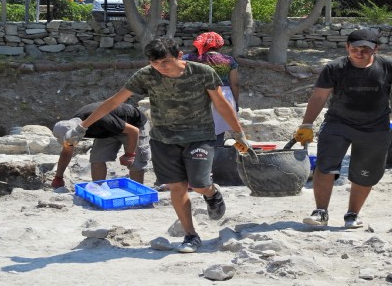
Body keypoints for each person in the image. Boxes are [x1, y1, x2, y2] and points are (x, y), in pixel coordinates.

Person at [59, 37, 252, 253]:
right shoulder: (145, 75)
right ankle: (190, 235)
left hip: (199, 136)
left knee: (198, 184)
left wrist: (238, 133)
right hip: (163, 139)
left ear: (180, 56)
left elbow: (221, 104)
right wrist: (82, 127)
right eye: (155, 63)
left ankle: (211, 193)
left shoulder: (202, 72)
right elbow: (115, 101)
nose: (161, 67)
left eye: (165, 62)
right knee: (177, 187)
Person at [294, 29, 392, 228]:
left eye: (366, 49)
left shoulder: (388, 66)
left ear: (376, 49)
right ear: (347, 47)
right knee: (325, 166)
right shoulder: (335, 68)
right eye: (355, 48)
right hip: (338, 123)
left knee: (366, 173)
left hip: (375, 127)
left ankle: (352, 215)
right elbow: (319, 96)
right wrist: (307, 124)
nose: (360, 53)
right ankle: (321, 212)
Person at [51, 102, 150, 188]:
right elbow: (67, 152)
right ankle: (98, 190)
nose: (71, 143)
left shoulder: (100, 119)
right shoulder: (72, 126)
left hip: (133, 125)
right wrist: (58, 177)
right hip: (108, 129)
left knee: (136, 163)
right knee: (97, 159)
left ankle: (138, 193)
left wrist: (130, 154)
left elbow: (134, 131)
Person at [182, 32, 240, 145]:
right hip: (223, 96)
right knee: (218, 130)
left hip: (197, 96)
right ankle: (215, 155)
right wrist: (236, 102)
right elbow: (235, 83)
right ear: (220, 45)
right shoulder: (229, 60)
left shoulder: (188, 58)